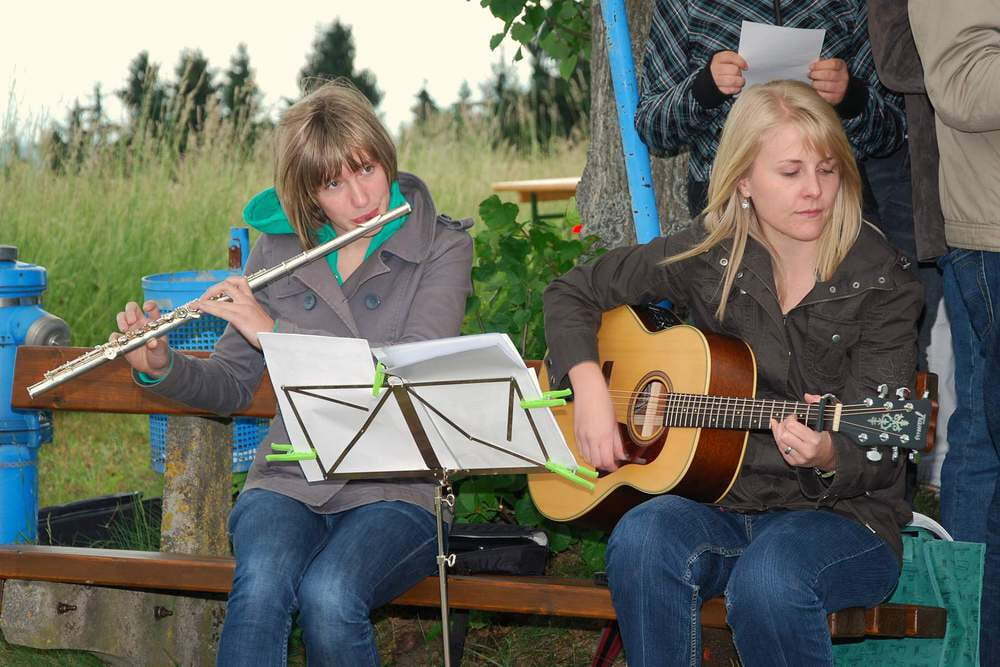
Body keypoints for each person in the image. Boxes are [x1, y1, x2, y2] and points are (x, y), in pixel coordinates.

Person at [544, 80, 921, 665]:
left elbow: (884, 449)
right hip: (722, 502)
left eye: (826, 170)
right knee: (642, 538)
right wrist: (589, 387)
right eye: (791, 172)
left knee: (769, 579)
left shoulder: (882, 280)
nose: (814, 190)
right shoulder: (711, 253)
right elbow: (573, 290)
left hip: (844, 519)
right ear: (743, 180)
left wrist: (828, 454)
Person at [114, 80, 474, 665]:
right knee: (261, 586)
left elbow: (406, 371)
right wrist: (161, 367)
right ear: (308, 193)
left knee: (330, 595)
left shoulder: (440, 245)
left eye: (367, 169)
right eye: (333, 183)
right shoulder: (277, 251)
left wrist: (276, 334)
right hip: (290, 475)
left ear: (386, 156)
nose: (361, 196)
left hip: (398, 483)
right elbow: (232, 384)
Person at [909, 2, 1000, 664]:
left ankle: (972, 644)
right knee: (981, 445)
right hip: (991, 233)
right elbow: (963, 85)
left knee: (981, 441)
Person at [635, 0, 905, 219]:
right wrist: (704, 89)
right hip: (731, 204)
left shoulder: (852, 4)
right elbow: (652, 127)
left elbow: (893, 133)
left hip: (832, 196)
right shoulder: (685, 4)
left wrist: (851, 97)